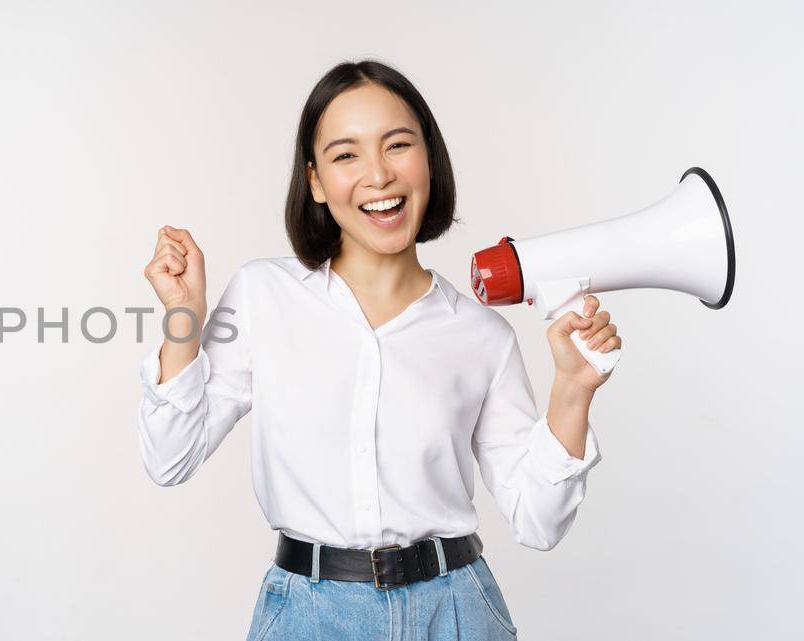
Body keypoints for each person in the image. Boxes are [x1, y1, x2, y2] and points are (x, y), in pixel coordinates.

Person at [137, 60, 618, 641]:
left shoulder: (482, 336)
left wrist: (572, 390)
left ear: (429, 162)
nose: (379, 175)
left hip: (458, 612)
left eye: (397, 145)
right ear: (315, 181)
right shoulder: (264, 295)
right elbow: (170, 459)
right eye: (346, 155)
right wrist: (183, 319)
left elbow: (539, 523)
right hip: (310, 617)